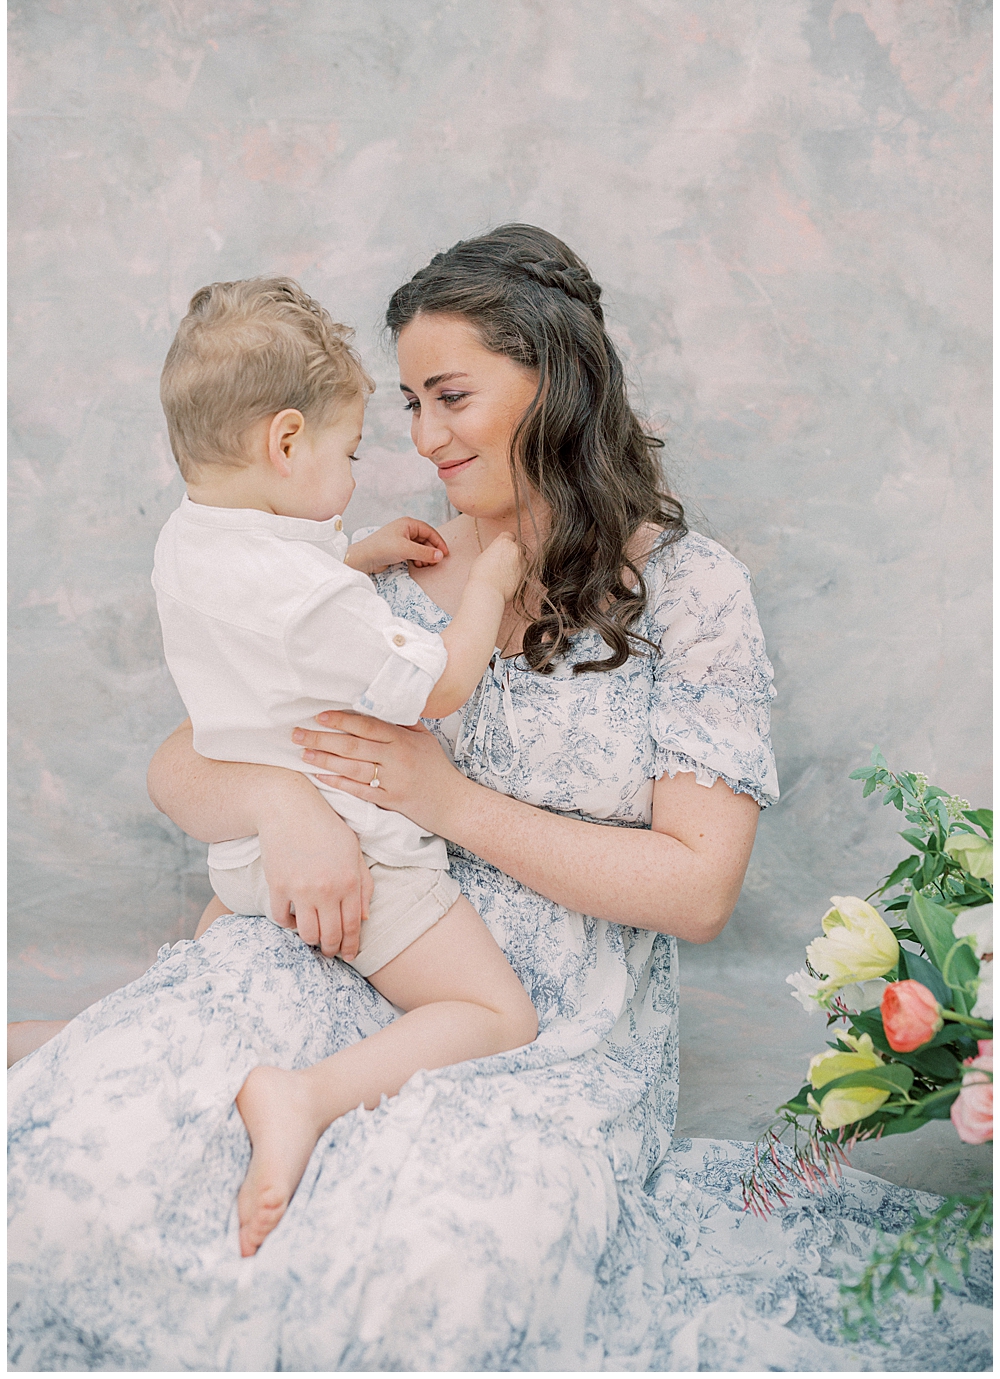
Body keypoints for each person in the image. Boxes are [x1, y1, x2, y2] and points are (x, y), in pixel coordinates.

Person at [7, 227, 989, 1371]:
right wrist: (286, 805)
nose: (422, 439)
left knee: (445, 1279)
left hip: (547, 1029)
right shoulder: (381, 570)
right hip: (334, 951)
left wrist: (448, 797)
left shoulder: (688, 589)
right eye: (411, 401)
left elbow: (699, 885)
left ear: (554, 379)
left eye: (450, 395)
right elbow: (181, 762)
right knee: (85, 1178)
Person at [152, 276, 536, 1257]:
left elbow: (268, 598)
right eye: (348, 449)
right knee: (493, 1011)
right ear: (285, 442)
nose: (361, 469)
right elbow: (440, 685)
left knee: (201, 999)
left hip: (245, 854)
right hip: (350, 854)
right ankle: (303, 1095)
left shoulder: (188, 539)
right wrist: (487, 584)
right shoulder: (317, 605)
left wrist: (350, 558)